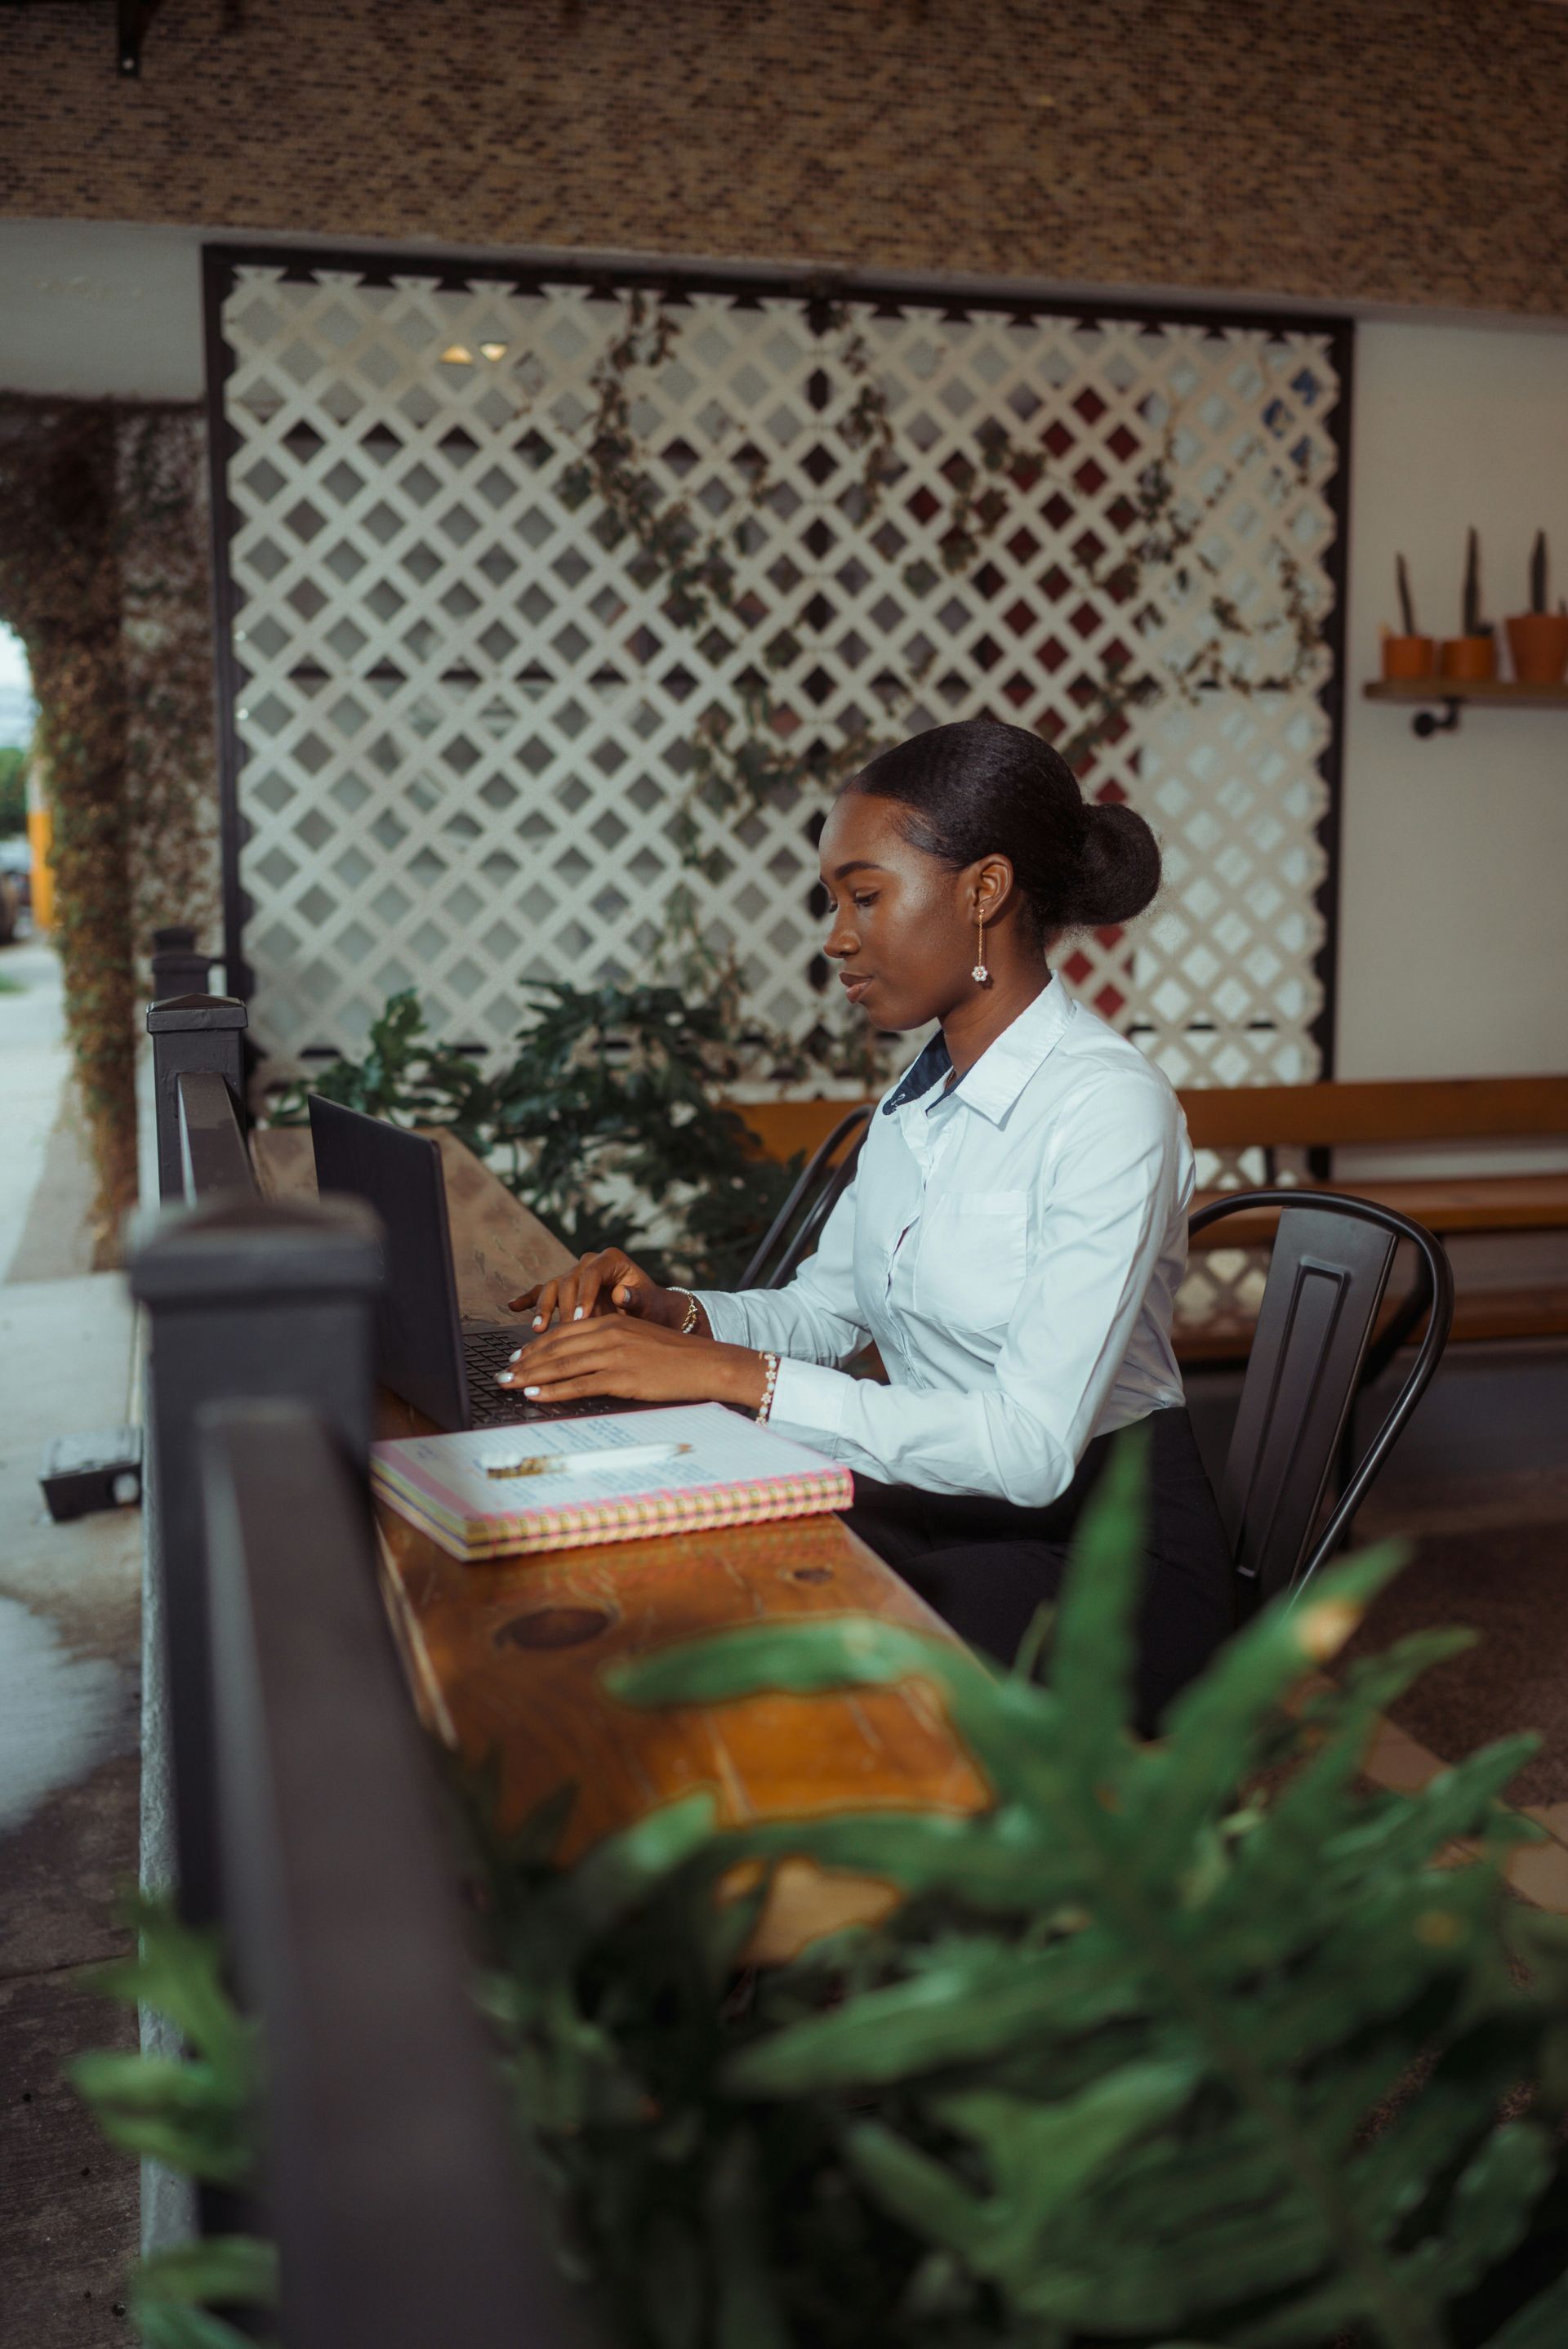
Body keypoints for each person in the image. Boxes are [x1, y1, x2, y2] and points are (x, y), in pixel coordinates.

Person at [503, 718, 1233, 1730]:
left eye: (865, 894)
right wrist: (679, 1320)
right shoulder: (917, 1099)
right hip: (953, 1505)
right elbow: (827, 1310)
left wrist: (736, 1381)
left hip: (1104, 1556)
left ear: (983, 891)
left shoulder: (1107, 1108)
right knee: (701, 1565)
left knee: (799, 1642)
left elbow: (1029, 1447)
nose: (835, 934)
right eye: (832, 900)